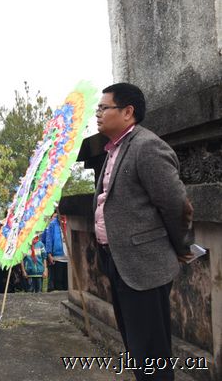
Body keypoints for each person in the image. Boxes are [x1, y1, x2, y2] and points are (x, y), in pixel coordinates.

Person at [93, 83, 193, 381]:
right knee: (136, 346)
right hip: (119, 261)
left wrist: (180, 248)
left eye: (103, 108)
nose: (97, 114)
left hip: (145, 263)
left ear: (127, 112)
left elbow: (177, 206)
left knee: (151, 350)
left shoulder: (146, 146)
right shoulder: (114, 149)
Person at [45, 212, 68, 291]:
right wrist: (49, 254)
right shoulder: (53, 224)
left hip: (69, 256)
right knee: (58, 280)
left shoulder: (69, 221)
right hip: (58, 256)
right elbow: (49, 239)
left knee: (67, 281)